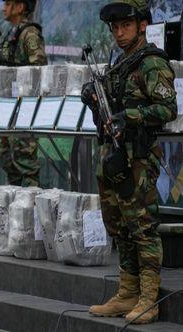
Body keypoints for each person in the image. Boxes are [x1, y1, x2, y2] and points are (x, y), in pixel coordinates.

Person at [81, 0, 177, 324]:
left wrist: (130, 117)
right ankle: (127, 293)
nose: (120, 33)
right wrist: (94, 99)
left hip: (138, 160)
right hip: (113, 158)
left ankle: (149, 298)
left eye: (126, 25)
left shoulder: (151, 63)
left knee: (143, 229)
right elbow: (106, 114)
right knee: (119, 229)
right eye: (115, 27)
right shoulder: (118, 65)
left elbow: (167, 109)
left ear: (142, 25)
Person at [0, 0, 46, 187]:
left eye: (8, 3)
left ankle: (31, 207)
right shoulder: (10, 33)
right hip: (8, 105)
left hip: (24, 107)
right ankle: (17, 207)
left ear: (20, 7)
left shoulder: (29, 33)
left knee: (24, 161)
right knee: (8, 159)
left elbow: (39, 69)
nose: (3, 8)